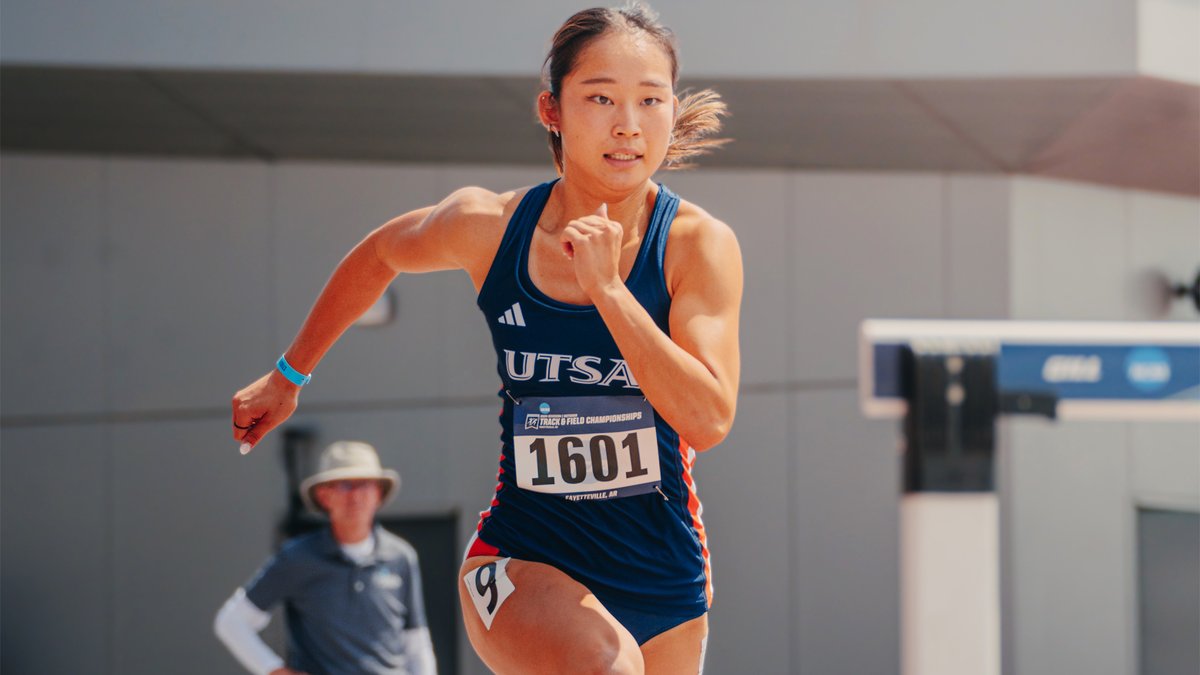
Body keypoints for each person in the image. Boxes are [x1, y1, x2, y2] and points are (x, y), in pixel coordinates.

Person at [231, 3, 741, 673]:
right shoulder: (489, 225)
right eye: (600, 97)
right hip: (521, 559)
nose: (628, 124)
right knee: (607, 667)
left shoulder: (695, 245)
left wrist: (610, 293)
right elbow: (380, 254)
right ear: (551, 110)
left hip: (663, 579)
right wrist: (288, 376)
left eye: (651, 99)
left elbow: (707, 418)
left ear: (673, 111)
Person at [214, 441, 437, 675]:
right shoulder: (297, 558)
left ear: (378, 493)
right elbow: (231, 622)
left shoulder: (401, 557)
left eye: (364, 485)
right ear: (324, 495)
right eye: (345, 485)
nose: (355, 495)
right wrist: (274, 671)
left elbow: (416, 643)